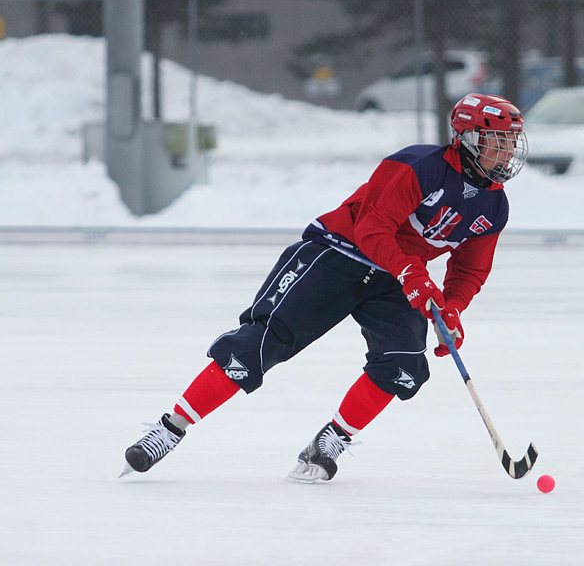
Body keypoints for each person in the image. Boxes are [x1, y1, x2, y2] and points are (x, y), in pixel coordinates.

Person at [122, 93, 528, 481]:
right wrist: (411, 273)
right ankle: (170, 429)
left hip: (396, 277)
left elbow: (470, 271)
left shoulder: (495, 204)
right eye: (498, 142)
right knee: (258, 346)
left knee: (404, 367)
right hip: (338, 252)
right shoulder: (418, 166)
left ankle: (330, 441)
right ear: (468, 140)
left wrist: (453, 308)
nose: (508, 152)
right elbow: (373, 227)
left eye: (511, 142)